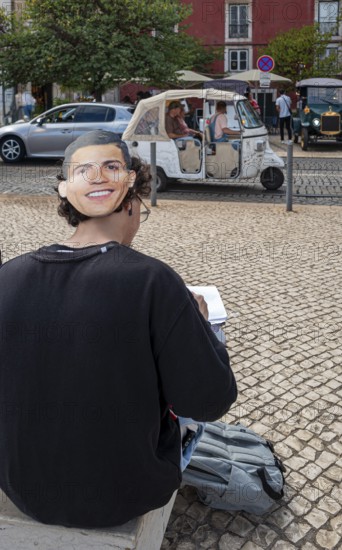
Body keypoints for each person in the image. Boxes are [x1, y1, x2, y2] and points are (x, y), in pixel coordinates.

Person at [0, 130, 237, 529]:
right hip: (122, 493)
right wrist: (199, 326)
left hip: (22, 486)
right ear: (131, 202)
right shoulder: (152, 281)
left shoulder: (8, 276)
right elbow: (208, 403)